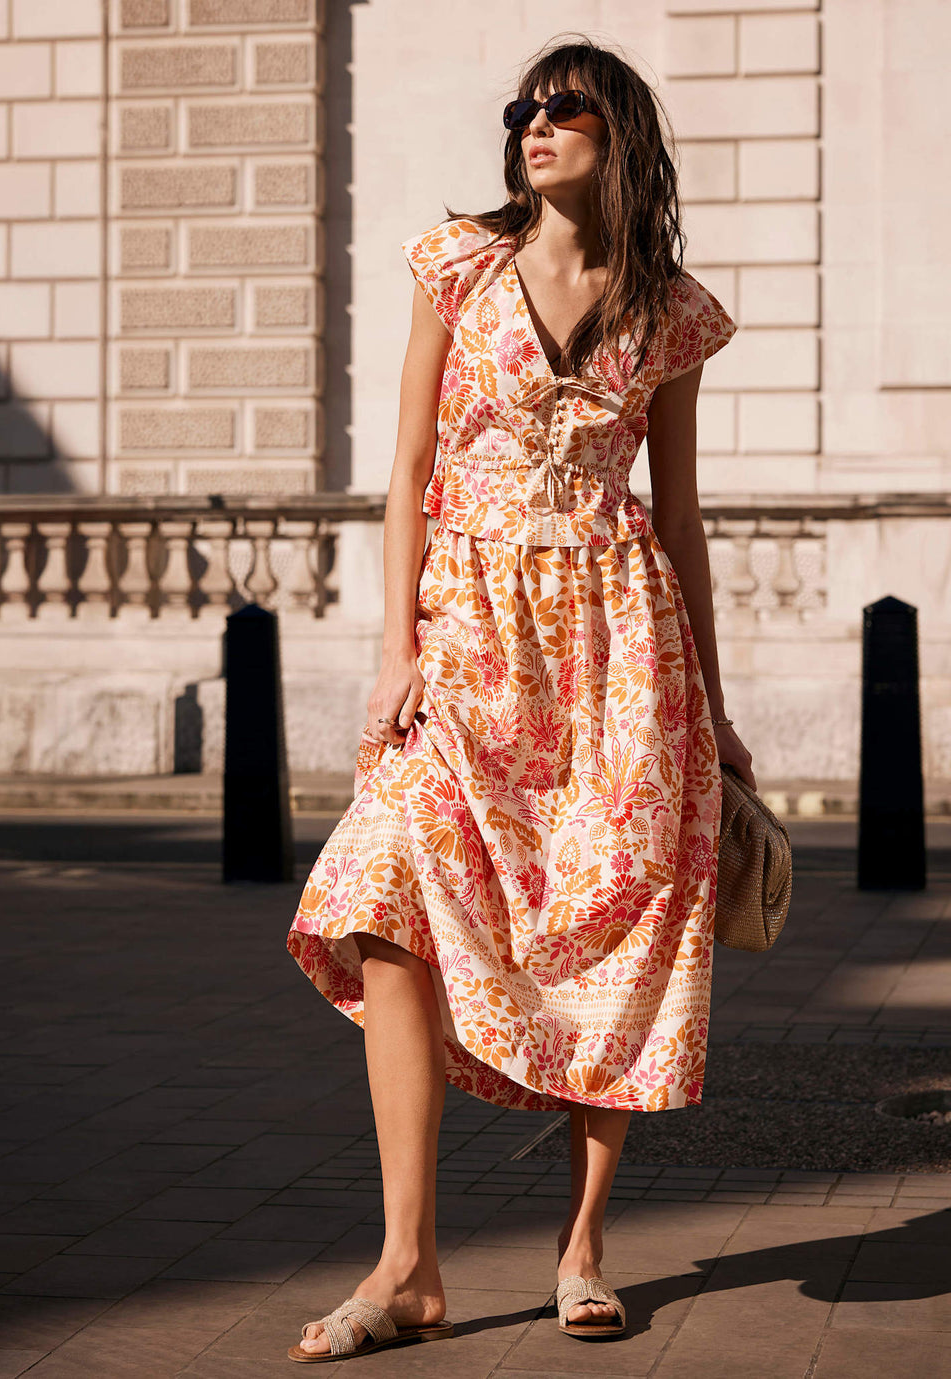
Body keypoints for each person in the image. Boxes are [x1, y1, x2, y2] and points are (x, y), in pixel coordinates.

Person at [285, 34, 755, 1363]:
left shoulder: (670, 312)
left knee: (620, 931)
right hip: (468, 643)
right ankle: (410, 1264)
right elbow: (410, 466)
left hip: (620, 653)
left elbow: (681, 517)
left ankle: (583, 1248)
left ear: (621, 138)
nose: (536, 126)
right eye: (524, 109)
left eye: (567, 110)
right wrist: (395, 649)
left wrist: (709, 712)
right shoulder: (458, 265)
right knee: (385, 893)